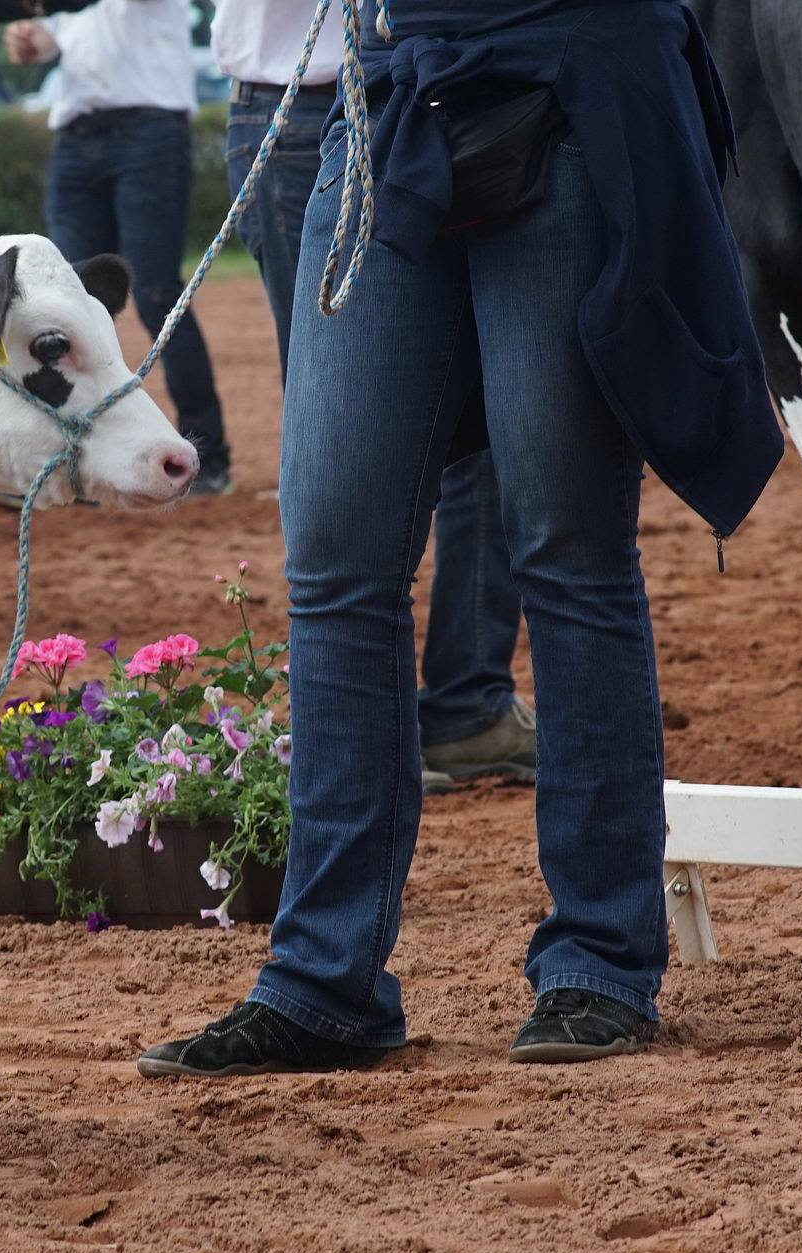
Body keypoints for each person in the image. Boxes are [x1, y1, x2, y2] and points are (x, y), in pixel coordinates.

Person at [138, 0, 782, 1073]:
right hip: (385, 92)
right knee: (335, 557)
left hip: (564, 85)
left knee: (565, 551)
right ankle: (320, 978)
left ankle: (598, 958)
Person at [213, 0, 534, 795]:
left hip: (439, 87)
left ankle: (465, 705)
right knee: (349, 459)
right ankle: (374, 735)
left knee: (486, 430)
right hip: (313, 103)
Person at [2, 0, 232, 495]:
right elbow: (50, 39)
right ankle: (67, 461)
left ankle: (209, 452)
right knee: (62, 305)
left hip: (150, 132)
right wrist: (32, 40)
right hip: (76, 136)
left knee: (154, 292)